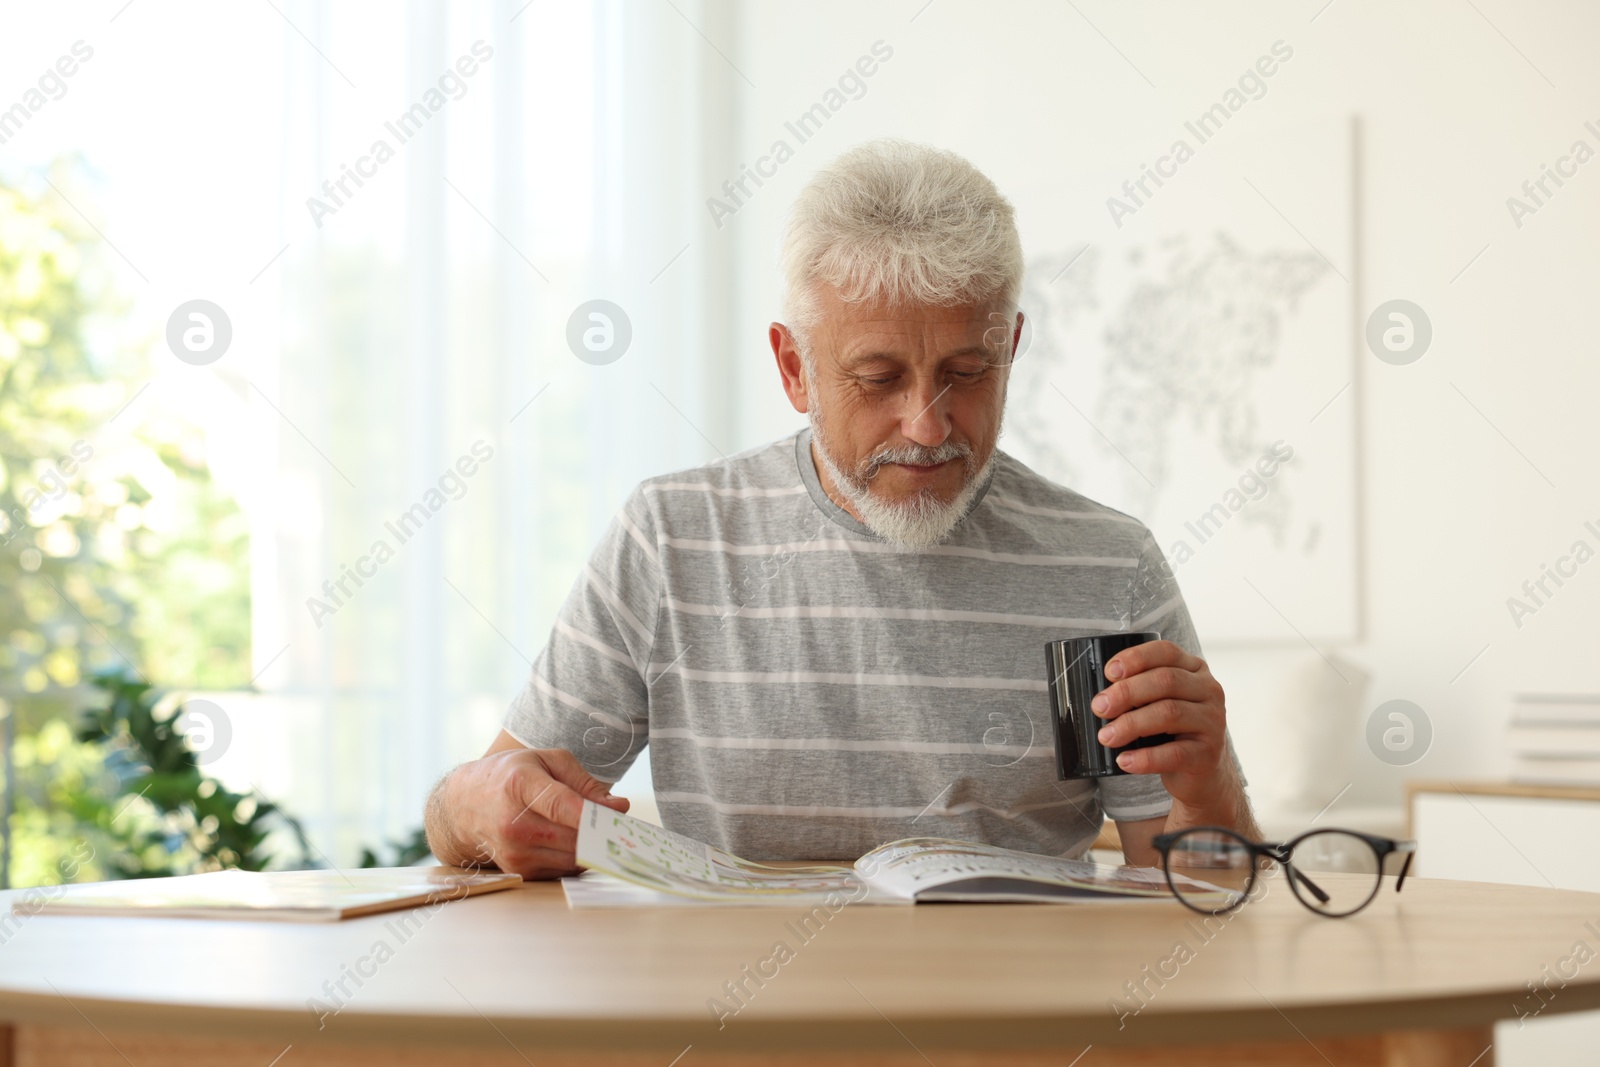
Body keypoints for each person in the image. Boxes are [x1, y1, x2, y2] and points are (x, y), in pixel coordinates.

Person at [424, 138, 1258, 878]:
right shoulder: (672, 539)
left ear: (1011, 346)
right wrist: (473, 803)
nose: (927, 426)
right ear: (794, 368)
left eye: (967, 372)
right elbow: (471, 820)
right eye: (878, 378)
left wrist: (1210, 782)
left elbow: (1193, 889)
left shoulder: (1107, 564)